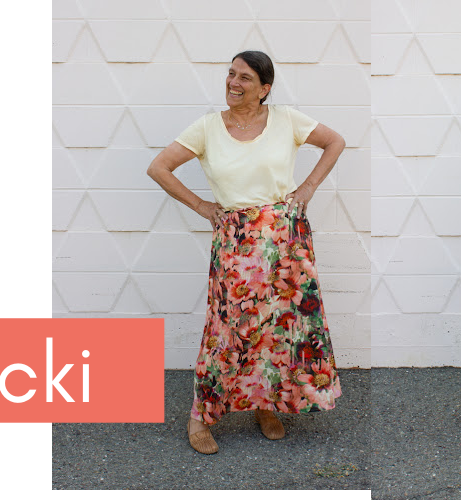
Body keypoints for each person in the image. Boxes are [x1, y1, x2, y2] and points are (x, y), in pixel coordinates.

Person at [147, 50, 345, 454]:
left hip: (285, 239)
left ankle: (264, 405)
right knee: (227, 331)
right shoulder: (207, 129)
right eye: (231, 74)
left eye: (245, 78)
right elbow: (159, 167)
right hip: (236, 243)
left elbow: (335, 142)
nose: (233, 83)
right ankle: (199, 417)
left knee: (277, 329)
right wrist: (203, 207)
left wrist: (306, 189)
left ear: (264, 89)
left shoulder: (287, 119)